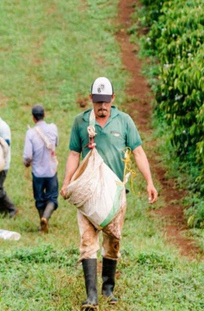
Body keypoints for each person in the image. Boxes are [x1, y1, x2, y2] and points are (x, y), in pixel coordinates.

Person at [60, 77, 158, 310]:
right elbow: (74, 154)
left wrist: (150, 182)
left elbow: (138, 152)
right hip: (88, 192)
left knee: (113, 239)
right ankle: (91, 296)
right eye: (98, 102)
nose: (102, 106)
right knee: (87, 240)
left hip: (115, 193)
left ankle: (108, 288)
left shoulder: (124, 121)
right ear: (91, 99)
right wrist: (66, 182)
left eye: (106, 101)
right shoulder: (81, 122)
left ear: (113, 99)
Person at [23, 105, 59, 233]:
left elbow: (27, 156)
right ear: (44, 115)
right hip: (51, 170)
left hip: (37, 173)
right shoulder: (53, 128)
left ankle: (42, 221)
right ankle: (45, 218)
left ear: (33, 118)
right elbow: (56, 144)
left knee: (39, 200)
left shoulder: (30, 133)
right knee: (52, 198)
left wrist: (26, 163)